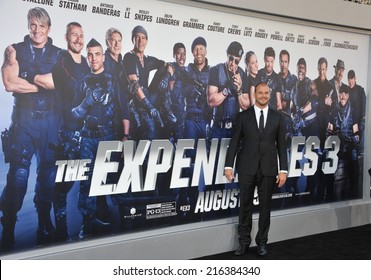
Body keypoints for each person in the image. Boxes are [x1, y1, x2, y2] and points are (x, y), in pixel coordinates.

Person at [0, 7, 61, 249]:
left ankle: (44, 222)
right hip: (23, 122)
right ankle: (9, 225)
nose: (36, 30)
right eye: (33, 25)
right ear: (28, 25)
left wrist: (24, 79)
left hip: (51, 122)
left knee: (47, 176)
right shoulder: (15, 50)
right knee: (18, 176)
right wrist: (43, 84)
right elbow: (8, 83)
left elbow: (61, 84)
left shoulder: (60, 55)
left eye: (41, 26)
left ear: (48, 28)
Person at [71, 38, 130, 239]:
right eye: (90, 54)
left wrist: (125, 136)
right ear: (86, 57)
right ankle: (87, 224)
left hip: (109, 137)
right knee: (86, 181)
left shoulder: (113, 80)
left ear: (103, 56)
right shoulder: (82, 82)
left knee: (114, 178)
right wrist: (86, 103)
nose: (93, 58)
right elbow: (74, 114)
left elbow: (124, 109)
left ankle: (126, 219)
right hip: (87, 138)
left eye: (97, 54)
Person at [224, 82, 287, 256]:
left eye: (266, 93)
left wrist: (284, 170)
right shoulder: (243, 116)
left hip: (268, 168)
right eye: (260, 92)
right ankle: (243, 242)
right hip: (246, 167)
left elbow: (282, 146)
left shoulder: (278, 117)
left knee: (265, 208)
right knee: (245, 206)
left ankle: (262, 242)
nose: (264, 95)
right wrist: (229, 165)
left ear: (270, 94)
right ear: (255, 94)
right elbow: (234, 143)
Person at [51, 22, 90, 242]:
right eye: (74, 35)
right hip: (68, 131)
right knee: (65, 183)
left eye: (81, 35)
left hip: (88, 133)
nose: (78, 39)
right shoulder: (61, 65)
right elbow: (75, 90)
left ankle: (87, 225)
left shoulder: (88, 63)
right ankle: (61, 230)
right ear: (66, 37)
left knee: (88, 181)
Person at [177, 37, 211, 221]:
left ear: (205, 51)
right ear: (192, 52)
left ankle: (202, 199)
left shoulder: (212, 72)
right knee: (187, 161)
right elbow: (177, 94)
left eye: (201, 49)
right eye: (195, 49)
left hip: (205, 121)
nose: (198, 52)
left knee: (204, 162)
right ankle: (186, 197)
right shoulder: (186, 71)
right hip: (189, 120)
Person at [123, 25, 170, 140]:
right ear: (133, 39)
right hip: (136, 101)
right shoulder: (129, 57)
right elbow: (134, 85)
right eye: (137, 37)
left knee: (165, 71)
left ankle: (167, 109)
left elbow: (168, 65)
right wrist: (149, 106)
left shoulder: (148, 60)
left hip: (148, 96)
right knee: (150, 130)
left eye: (143, 37)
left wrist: (166, 76)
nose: (140, 41)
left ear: (147, 40)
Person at [208, 41, 249, 140]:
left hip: (234, 129)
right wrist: (228, 89)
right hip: (218, 129)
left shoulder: (243, 75)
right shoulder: (216, 70)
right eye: (231, 59)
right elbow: (211, 101)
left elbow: (245, 106)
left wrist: (239, 90)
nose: (233, 64)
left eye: (237, 61)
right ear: (227, 55)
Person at [327, 84, 360, 200]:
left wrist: (349, 140)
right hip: (337, 151)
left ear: (348, 96)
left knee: (354, 173)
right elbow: (329, 132)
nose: (342, 96)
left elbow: (356, 135)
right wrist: (334, 136)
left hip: (350, 150)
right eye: (341, 94)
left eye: (345, 94)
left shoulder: (353, 112)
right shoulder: (334, 112)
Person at [314, 57, 336, 201]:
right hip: (316, 126)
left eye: (324, 69)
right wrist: (323, 101)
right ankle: (318, 193)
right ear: (317, 68)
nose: (322, 71)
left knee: (327, 159)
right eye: (320, 69)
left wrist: (331, 122)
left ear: (326, 69)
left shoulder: (330, 86)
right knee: (317, 160)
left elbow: (333, 107)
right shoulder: (314, 83)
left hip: (326, 125)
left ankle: (329, 193)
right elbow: (314, 103)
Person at [347, 70, 366, 147]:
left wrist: (362, 121)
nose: (350, 81)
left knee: (357, 146)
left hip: (358, 122)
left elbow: (364, 106)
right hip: (348, 124)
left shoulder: (360, 90)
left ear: (355, 79)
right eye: (349, 79)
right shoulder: (346, 90)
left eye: (352, 79)